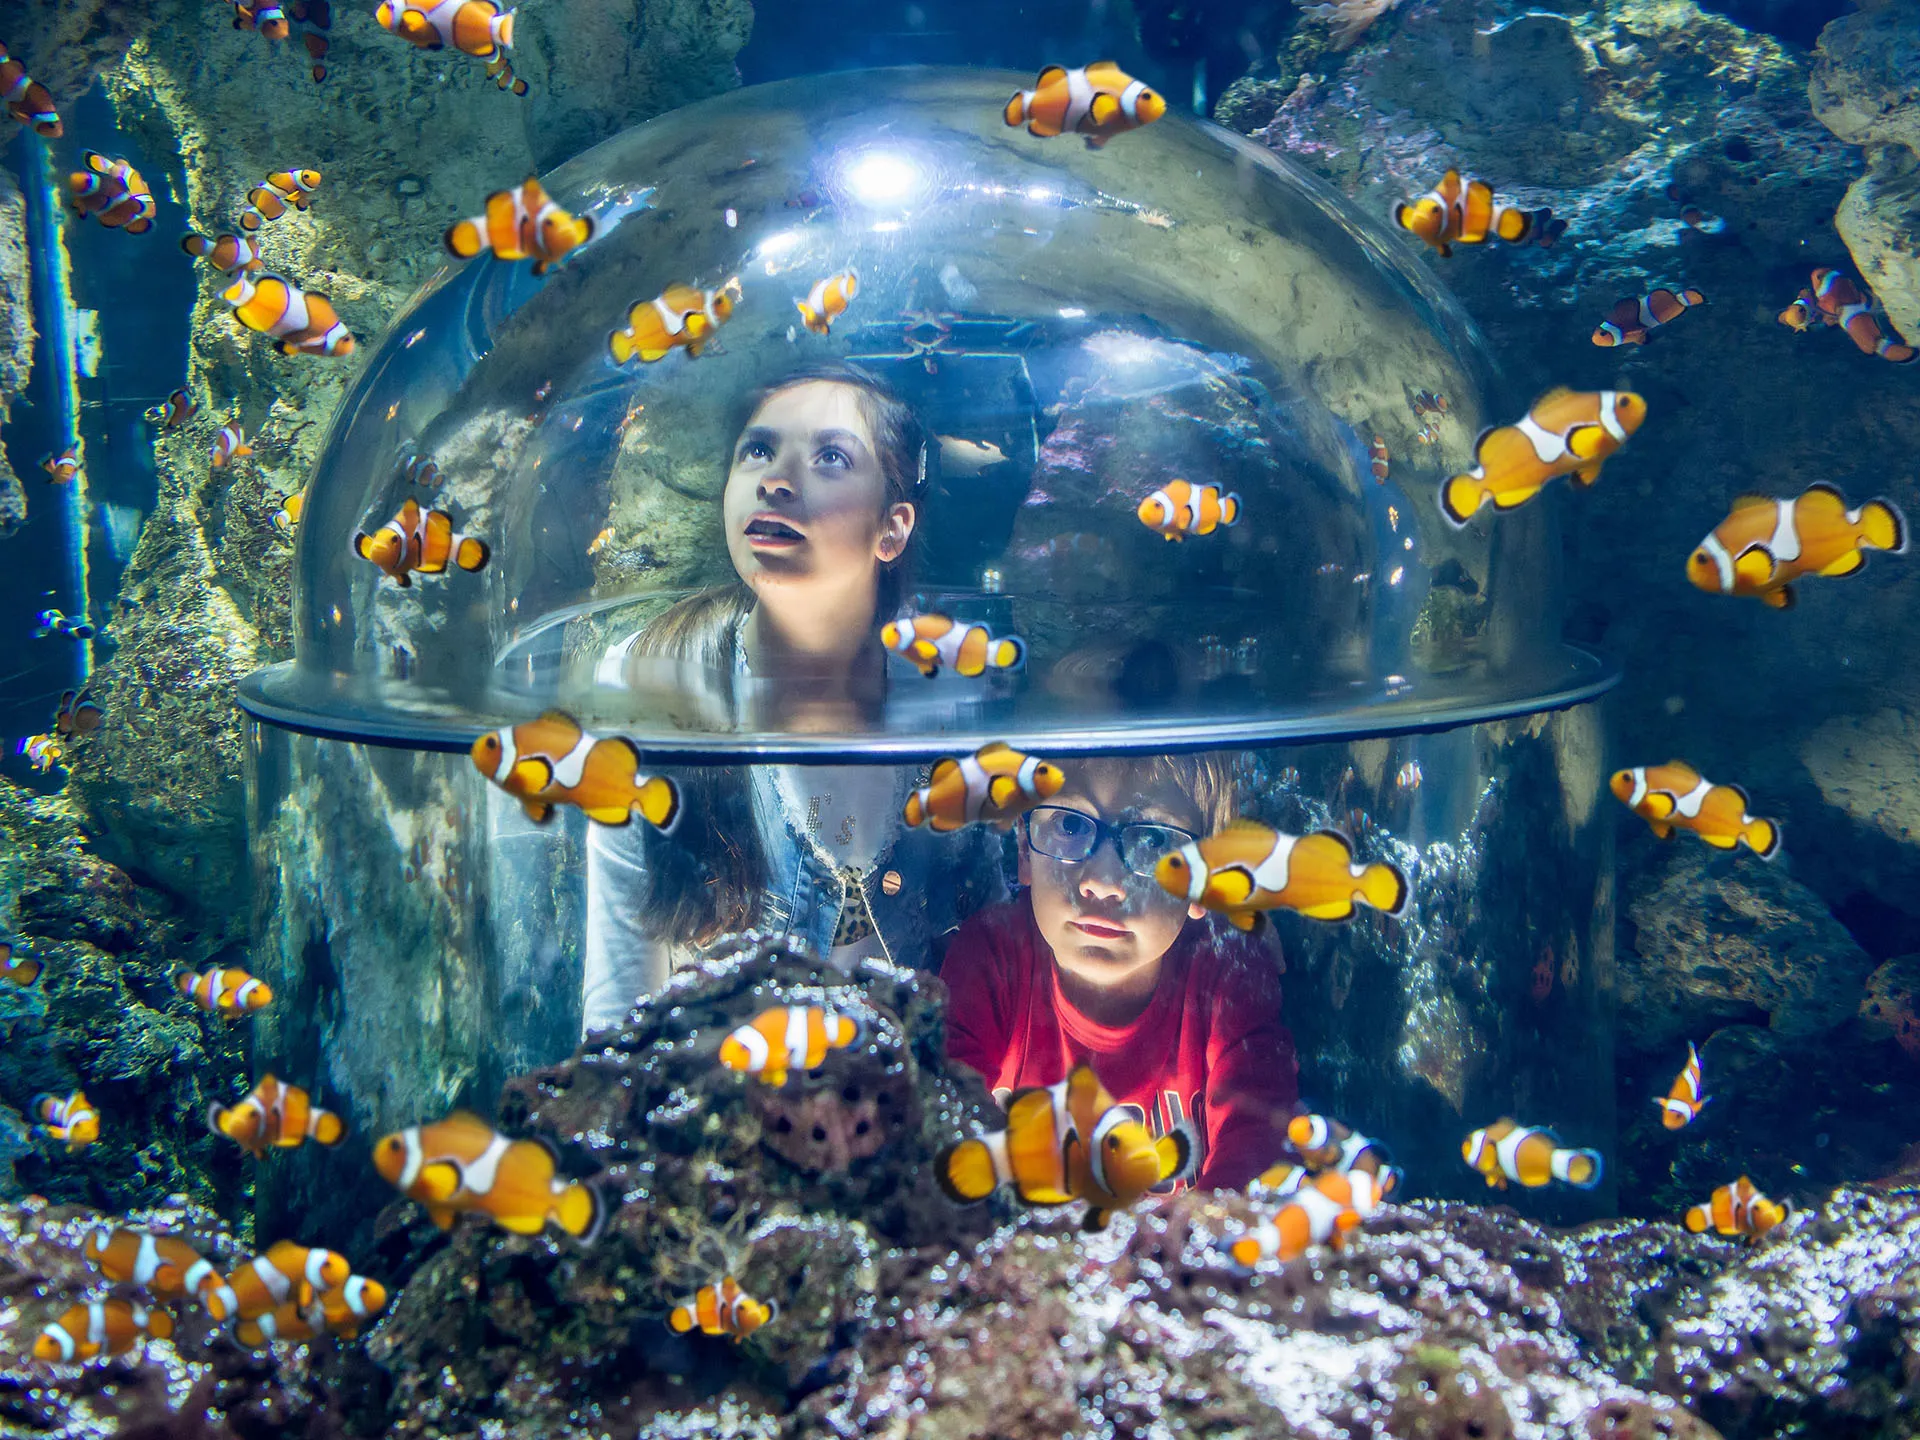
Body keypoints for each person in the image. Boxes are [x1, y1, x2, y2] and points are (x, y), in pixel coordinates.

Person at [582, 363, 1008, 1034]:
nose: (774, 480)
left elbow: (993, 984)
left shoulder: (950, 693)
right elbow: (617, 1007)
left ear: (892, 529)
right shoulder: (649, 677)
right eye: (757, 450)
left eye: (830, 457)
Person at [939, 755, 1299, 1190]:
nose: (1104, 880)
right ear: (1024, 851)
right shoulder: (992, 958)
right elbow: (943, 1135)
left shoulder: (1227, 974)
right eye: (1070, 826)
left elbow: (1258, 1149)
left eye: (1152, 838)